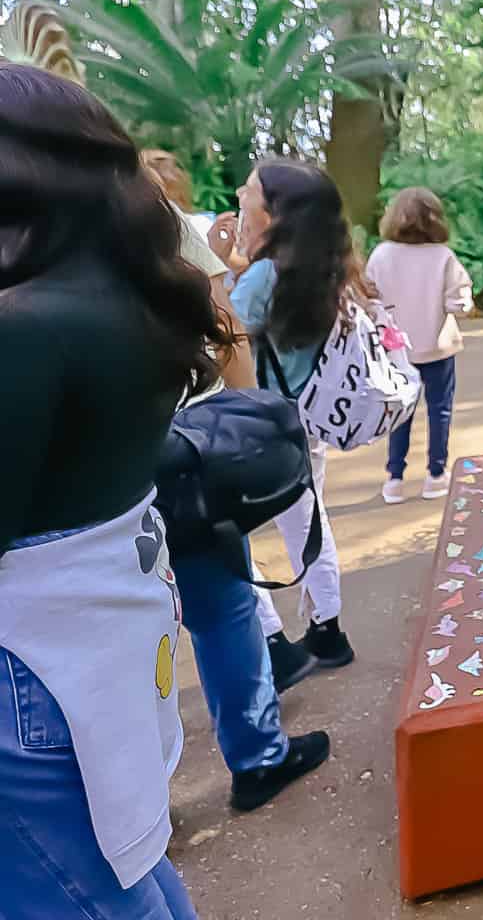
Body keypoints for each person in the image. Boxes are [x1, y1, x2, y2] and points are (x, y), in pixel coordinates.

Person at [0, 65, 218, 917]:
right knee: (131, 877)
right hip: (107, 649)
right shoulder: (138, 300)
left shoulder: (23, 327)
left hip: (30, 673)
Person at [143, 150, 332, 806]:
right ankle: (258, 758)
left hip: (61, 473)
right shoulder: (153, 219)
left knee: (112, 640)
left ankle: (132, 808)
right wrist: (253, 419)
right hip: (176, 459)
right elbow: (227, 329)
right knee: (223, 611)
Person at [229, 160, 357, 674]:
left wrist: (216, 269)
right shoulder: (324, 265)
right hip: (307, 419)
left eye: (251, 190)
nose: (241, 194)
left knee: (225, 531)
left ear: (274, 211)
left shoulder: (265, 275)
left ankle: (273, 639)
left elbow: (224, 334)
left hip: (261, 425)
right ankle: (327, 628)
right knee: (308, 522)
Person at [366, 187, 473, 504]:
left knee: (400, 411)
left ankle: (395, 479)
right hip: (437, 346)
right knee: (440, 410)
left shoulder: (382, 254)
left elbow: (370, 301)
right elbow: (459, 303)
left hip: (396, 350)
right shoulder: (443, 256)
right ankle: (435, 476)